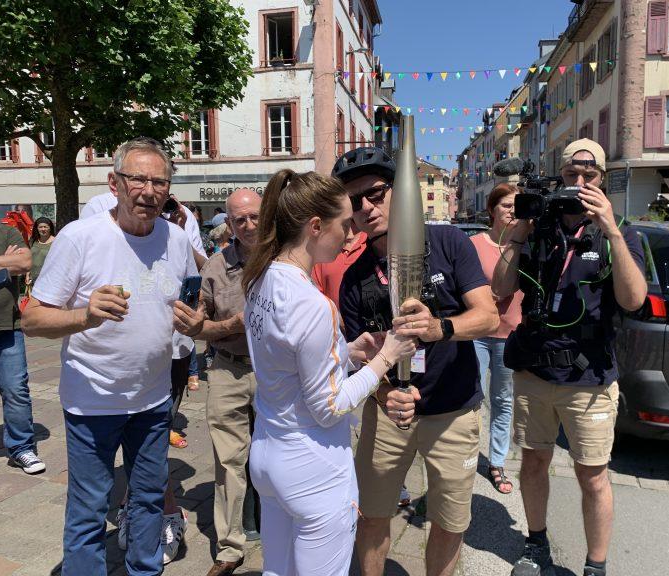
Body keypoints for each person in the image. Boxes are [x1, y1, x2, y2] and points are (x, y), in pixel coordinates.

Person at [22, 137, 206, 576]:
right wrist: (84, 316)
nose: (148, 190)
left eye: (159, 181)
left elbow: (192, 303)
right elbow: (31, 319)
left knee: (147, 499)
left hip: (154, 400)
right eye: (137, 178)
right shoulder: (80, 237)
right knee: (88, 510)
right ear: (115, 184)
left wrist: (196, 324)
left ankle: (145, 570)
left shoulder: (177, 239)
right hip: (92, 400)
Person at [333, 147, 499, 576]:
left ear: (398, 192)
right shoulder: (354, 275)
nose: (365, 208)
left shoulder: (447, 242)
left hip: (453, 409)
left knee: (447, 522)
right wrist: (386, 393)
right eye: (353, 202)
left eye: (374, 193)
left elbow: (487, 316)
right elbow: (359, 357)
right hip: (390, 415)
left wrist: (439, 328)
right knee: (372, 515)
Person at [244, 169, 417, 576]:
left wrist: (349, 351)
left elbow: (285, 358)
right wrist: (385, 357)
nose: (352, 233)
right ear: (316, 226)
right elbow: (329, 406)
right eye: (344, 223)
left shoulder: (260, 279)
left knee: (278, 570)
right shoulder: (312, 302)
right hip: (312, 465)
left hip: (269, 454)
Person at [492, 138, 647, 576]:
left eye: (589, 176)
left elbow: (633, 300)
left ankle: (596, 565)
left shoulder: (619, 231)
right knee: (534, 460)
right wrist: (518, 230)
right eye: (571, 176)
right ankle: (536, 543)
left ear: (602, 179)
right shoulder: (539, 227)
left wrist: (612, 230)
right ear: (560, 176)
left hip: (589, 376)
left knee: (592, 475)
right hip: (536, 370)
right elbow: (500, 288)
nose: (579, 184)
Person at [195, 188, 263, 576]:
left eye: (254, 216)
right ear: (230, 224)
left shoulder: (284, 259)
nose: (249, 225)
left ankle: (288, 528)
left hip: (275, 373)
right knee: (228, 461)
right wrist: (229, 326)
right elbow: (199, 326)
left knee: (284, 453)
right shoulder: (215, 268)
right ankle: (230, 547)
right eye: (240, 220)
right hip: (227, 368)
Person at [470, 183, 524, 494]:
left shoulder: (525, 244)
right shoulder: (475, 244)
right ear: (492, 210)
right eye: (506, 205)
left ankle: (497, 461)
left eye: (517, 206)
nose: (512, 212)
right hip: (477, 333)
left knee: (503, 400)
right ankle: (464, 451)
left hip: (510, 334)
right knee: (472, 396)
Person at [0, 223, 44, 475]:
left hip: (8, 325)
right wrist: (4, 260)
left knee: (16, 389)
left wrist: (13, 261)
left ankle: (21, 448)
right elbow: (14, 262)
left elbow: (25, 261)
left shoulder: (6, 231)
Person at [26, 217, 55, 288]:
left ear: (50, 228)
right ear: (37, 228)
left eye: (45, 227)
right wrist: (27, 274)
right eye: (40, 227)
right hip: (33, 279)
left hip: (49, 279)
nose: (43, 229)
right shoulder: (32, 241)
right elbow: (29, 258)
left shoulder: (56, 242)